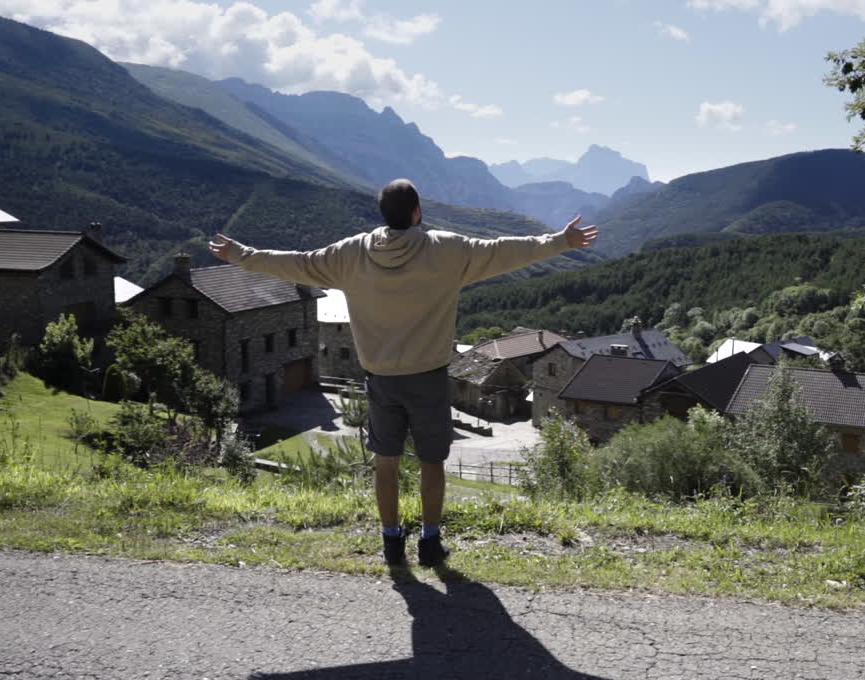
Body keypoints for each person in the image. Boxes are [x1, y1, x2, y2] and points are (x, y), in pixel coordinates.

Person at [209, 179, 597, 567]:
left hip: (380, 380)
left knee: (386, 462)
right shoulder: (446, 249)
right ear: (417, 212)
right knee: (432, 462)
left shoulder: (351, 253)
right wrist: (560, 241)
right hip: (429, 377)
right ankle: (430, 543)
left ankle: (391, 543)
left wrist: (241, 254)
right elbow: (504, 251)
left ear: (383, 214)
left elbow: (297, 262)